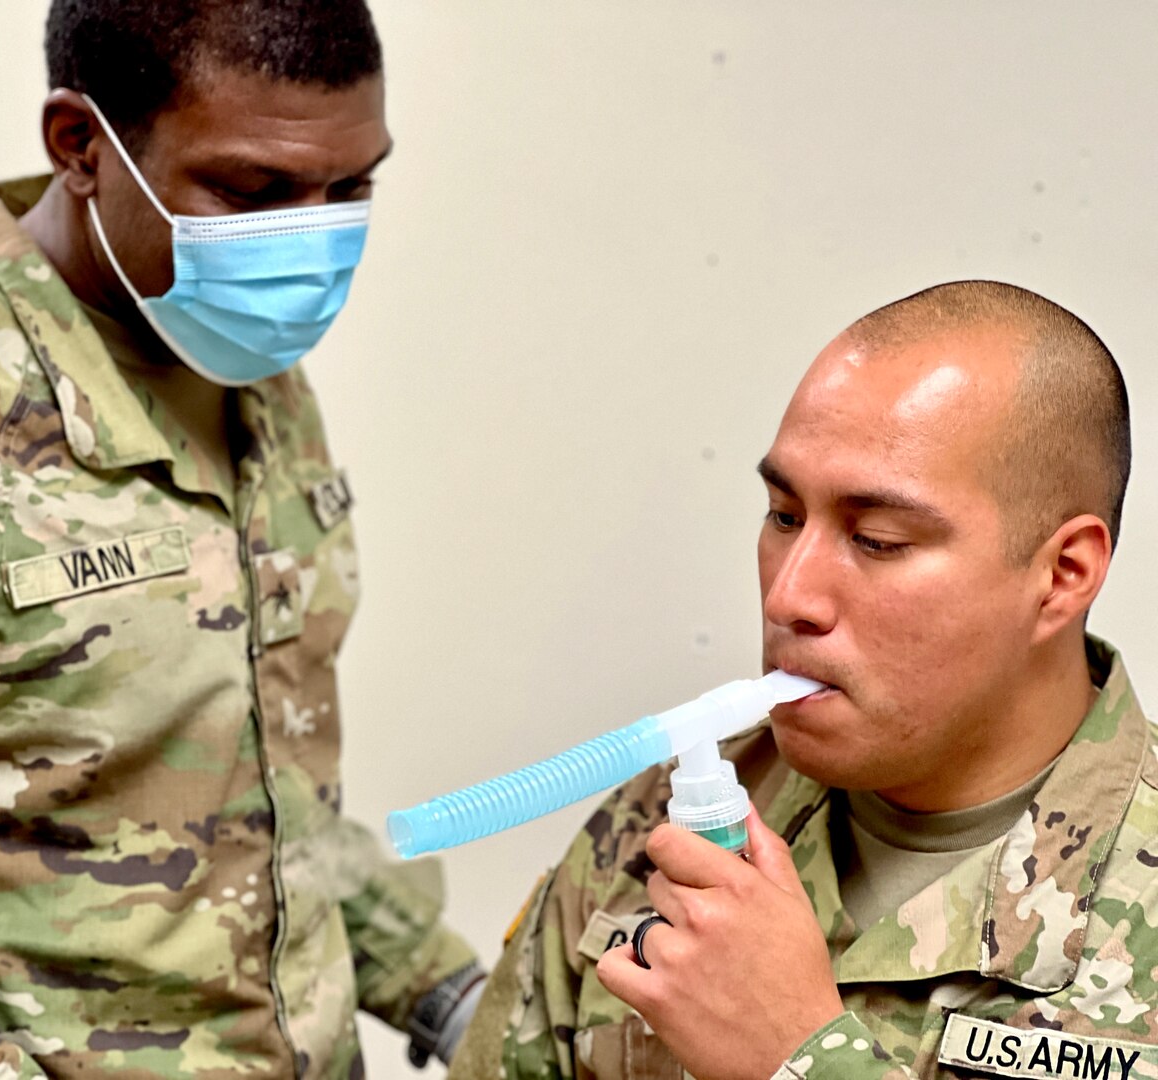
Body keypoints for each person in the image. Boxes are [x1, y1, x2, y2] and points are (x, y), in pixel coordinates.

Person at [0, 1, 483, 1075]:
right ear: (81, 146)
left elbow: (263, 795)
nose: (307, 245)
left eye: (351, 190)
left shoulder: (237, 358)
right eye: (252, 192)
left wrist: (447, 992)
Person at [450, 280, 1146, 1080]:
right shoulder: (665, 822)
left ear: (1062, 574)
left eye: (878, 539)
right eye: (784, 516)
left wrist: (799, 1060)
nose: (790, 596)